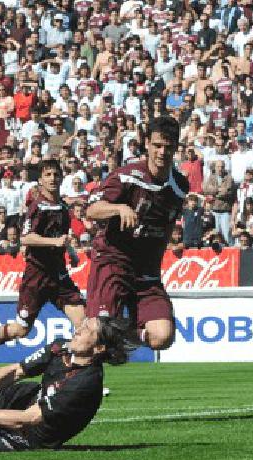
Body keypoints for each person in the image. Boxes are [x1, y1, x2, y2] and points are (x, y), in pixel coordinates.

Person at [0, 315, 132, 452]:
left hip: (29, 434)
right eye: (82, 324)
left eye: (87, 330)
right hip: (24, 399)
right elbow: (16, 371)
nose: (78, 329)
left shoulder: (85, 384)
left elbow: (28, 419)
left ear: (99, 348)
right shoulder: (60, 348)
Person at [0, 160, 87, 371]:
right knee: (21, 330)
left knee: (84, 325)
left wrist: (71, 253)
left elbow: (62, 237)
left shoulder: (63, 207)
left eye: (56, 174)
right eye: (48, 175)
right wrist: (52, 242)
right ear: (40, 180)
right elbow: (26, 238)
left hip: (59, 276)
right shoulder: (37, 207)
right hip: (36, 276)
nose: (53, 178)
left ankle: (80, 374)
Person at [84, 116, 189, 351]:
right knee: (96, 336)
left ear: (176, 147)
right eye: (157, 145)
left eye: (169, 146)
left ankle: (118, 331)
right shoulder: (126, 176)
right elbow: (91, 210)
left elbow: (167, 222)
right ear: (147, 144)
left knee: (162, 336)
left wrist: (170, 242)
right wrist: (119, 208)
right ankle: (61, 369)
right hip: (113, 262)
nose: (162, 152)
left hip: (146, 273)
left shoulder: (180, 185)